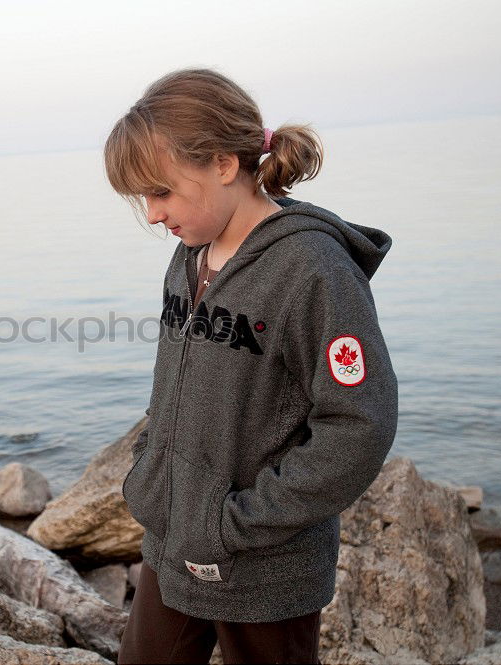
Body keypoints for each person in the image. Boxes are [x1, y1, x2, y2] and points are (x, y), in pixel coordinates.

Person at [103, 68, 399, 664]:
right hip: (172, 544)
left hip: (264, 568)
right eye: (143, 199)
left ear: (221, 163)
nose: (153, 213)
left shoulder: (313, 270)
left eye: (161, 191)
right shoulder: (189, 258)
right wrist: (150, 478)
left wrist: (241, 523)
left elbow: (359, 422)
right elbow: (173, 388)